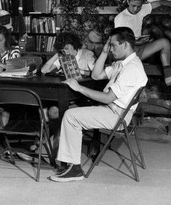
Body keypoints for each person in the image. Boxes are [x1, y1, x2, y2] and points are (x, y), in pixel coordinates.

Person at [48, 27, 148, 182]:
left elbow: (108, 98)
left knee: (70, 116)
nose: (111, 49)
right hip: (112, 110)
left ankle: (74, 169)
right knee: (71, 114)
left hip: (117, 115)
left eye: (113, 45)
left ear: (126, 45)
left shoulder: (132, 68)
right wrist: (105, 52)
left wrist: (79, 87)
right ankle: (71, 165)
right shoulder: (122, 64)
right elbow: (95, 75)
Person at [114, 0, 171, 86]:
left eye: (139, 6)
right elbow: (120, 42)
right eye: (133, 6)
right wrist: (137, 42)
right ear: (128, 2)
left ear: (142, 4)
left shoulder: (143, 9)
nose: (136, 9)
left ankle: (168, 77)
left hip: (139, 49)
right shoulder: (120, 18)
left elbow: (161, 2)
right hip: (127, 53)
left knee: (164, 42)